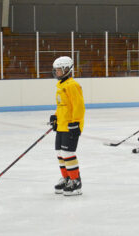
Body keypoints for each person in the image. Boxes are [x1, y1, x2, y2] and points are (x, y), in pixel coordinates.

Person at [49, 56, 85, 196]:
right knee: (59, 153)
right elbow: (63, 106)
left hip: (71, 126)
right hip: (62, 125)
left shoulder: (72, 85)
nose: (56, 72)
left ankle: (76, 182)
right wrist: (55, 116)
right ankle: (67, 178)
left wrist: (75, 123)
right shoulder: (61, 85)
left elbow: (79, 106)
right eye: (56, 70)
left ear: (66, 70)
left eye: (58, 70)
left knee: (68, 153)